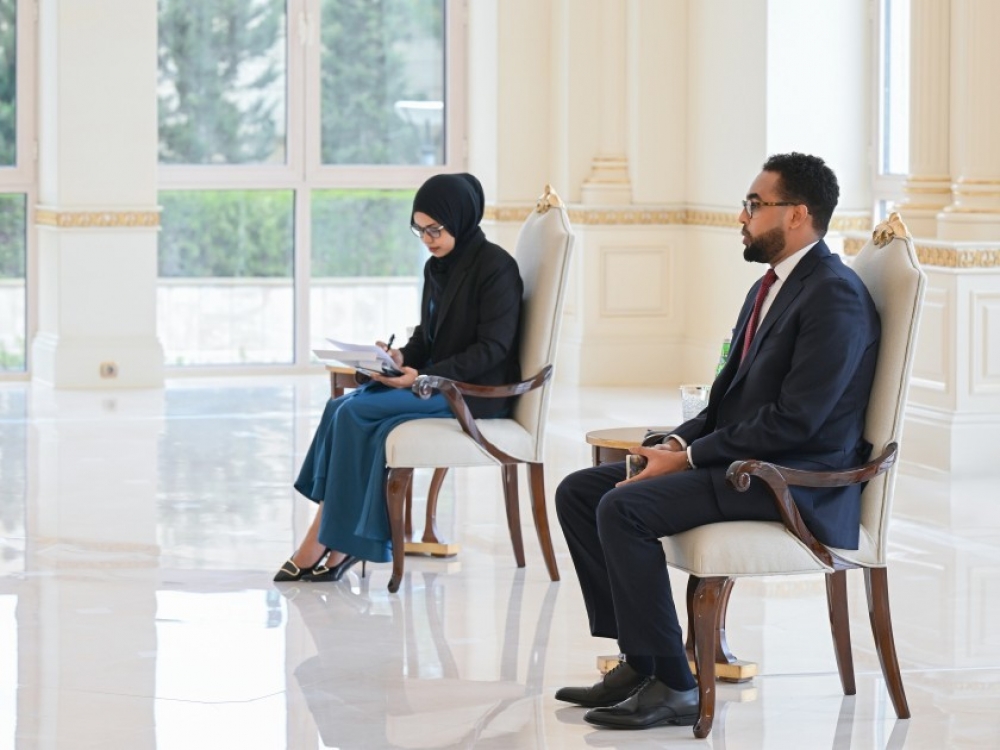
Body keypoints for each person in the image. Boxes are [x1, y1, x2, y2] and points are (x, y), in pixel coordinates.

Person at [554, 153, 880, 730]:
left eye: (755, 205)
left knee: (623, 508)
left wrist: (689, 458)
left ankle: (675, 686)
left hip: (792, 480)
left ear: (797, 214)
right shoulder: (770, 287)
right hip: (747, 464)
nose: (742, 217)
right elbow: (727, 400)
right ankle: (640, 662)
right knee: (580, 491)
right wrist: (674, 442)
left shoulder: (835, 295)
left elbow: (797, 422)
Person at [274, 173, 523, 583]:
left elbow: (492, 350)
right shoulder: (437, 267)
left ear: (460, 218)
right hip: (435, 382)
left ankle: (327, 539)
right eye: (419, 230)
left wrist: (423, 376)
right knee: (340, 406)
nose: (427, 239)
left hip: (472, 392)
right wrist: (399, 357)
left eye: (434, 229)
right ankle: (336, 537)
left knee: (355, 412)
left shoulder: (496, 268)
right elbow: (428, 335)